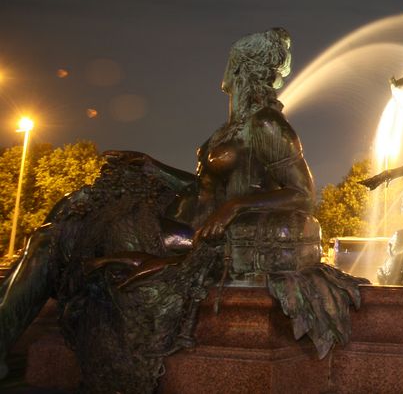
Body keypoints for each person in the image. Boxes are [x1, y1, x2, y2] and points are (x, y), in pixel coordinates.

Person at [0, 28, 363, 391]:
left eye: (233, 65)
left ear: (245, 71)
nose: (226, 76)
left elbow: (302, 193)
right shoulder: (228, 130)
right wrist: (151, 166)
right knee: (55, 231)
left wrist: (234, 207)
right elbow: (200, 186)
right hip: (177, 222)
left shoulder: (268, 125)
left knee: (54, 241)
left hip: (193, 236)